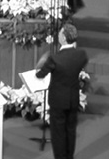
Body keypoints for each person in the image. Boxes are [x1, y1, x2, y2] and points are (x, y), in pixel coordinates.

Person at [35, 23, 89, 159]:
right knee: (70, 130)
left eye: (60, 33)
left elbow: (40, 74)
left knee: (58, 133)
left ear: (64, 38)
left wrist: (41, 64)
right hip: (72, 100)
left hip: (58, 101)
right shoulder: (81, 55)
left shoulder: (54, 58)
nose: (58, 35)